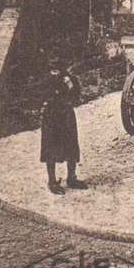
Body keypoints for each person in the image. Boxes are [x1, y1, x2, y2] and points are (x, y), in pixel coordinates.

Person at [40, 62, 87, 195]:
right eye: (53, 69)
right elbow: (42, 96)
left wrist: (70, 86)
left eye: (58, 69)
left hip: (67, 115)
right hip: (51, 117)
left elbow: (76, 98)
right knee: (51, 146)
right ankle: (52, 181)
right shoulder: (46, 80)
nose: (56, 72)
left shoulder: (70, 79)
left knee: (71, 145)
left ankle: (71, 178)